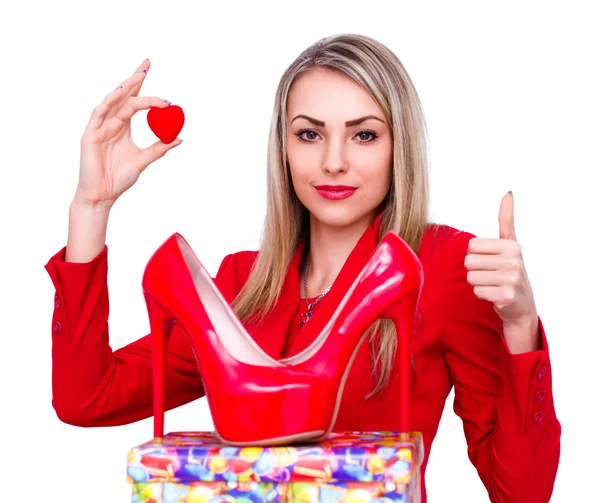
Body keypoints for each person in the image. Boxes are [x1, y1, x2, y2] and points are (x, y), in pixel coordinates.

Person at [44, 34, 560, 502]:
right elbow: (86, 399)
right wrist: (91, 207)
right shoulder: (238, 287)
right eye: (310, 135)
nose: (333, 161)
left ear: (398, 146)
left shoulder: (442, 267)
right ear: (284, 149)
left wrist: (519, 328)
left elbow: (521, 494)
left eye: (364, 135)